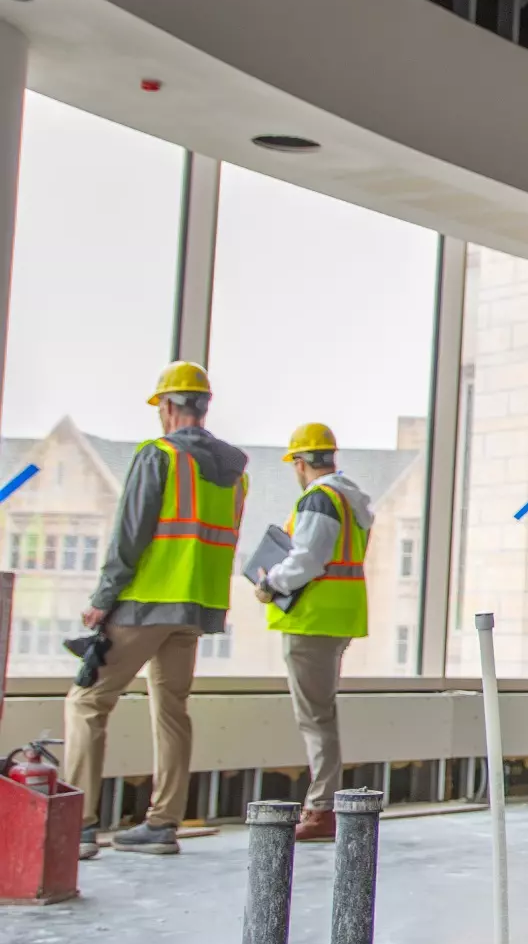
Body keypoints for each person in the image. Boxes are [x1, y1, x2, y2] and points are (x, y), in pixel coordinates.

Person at [61, 362, 248, 859]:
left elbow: (131, 535)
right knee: (171, 711)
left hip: (146, 603)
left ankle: (76, 826)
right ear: (203, 406)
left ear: (168, 407)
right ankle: (163, 823)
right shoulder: (234, 469)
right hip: (196, 607)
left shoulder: (159, 455)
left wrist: (104, 600)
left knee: (86, 703)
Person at [252, 423, 373, 844]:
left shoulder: (320, 499)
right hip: (337, 616)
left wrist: (270, 584)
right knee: (321, 713)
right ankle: (323, 804)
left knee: (315, 718)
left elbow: (307, 559)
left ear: (301, 463)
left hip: (313, 620)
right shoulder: (351, 498)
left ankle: (321, 809)